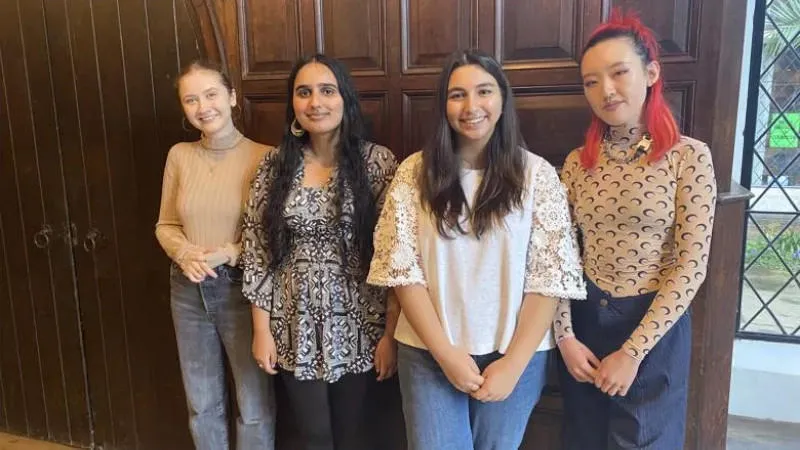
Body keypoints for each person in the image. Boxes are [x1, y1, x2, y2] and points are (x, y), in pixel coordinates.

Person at [366, 49, 586, 450]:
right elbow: (402, 270)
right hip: (428, 351)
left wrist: (514, 364)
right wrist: (446, 354)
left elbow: (549, 279)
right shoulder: (414, 172)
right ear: (443, 105)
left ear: (502, 100)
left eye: (484, 91)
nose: (471, 107)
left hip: (516, 353)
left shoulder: (537, 176)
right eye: (457, 95)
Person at [554, 11, 717, 450]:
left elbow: (691, 265)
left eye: (619, 72)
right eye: (591, 81)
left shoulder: (689, 158)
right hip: (585, 318)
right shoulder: (576, 164)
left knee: (642, 441)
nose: (605, 90)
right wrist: (565, 336)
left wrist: (632, 351)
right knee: (582, 439)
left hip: (653, 325)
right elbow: (559, 256)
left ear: (650, 72)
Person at [241, 54, 399, 450]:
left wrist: (391, 334)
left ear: (345, 98)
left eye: (327, 91)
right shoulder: (274, 166)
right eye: (304, 92)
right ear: (293, 104)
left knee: (353, 434)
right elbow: (258, 250)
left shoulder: (377, 162)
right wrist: (262, 330)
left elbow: (396, 255)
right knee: (313, 436)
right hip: (294, 323)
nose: (316, 102)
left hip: (362, 323)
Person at [155, 60, 275, 450]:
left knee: (254, 403)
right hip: (187, 289)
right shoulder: (180, 155)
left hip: (244, 290)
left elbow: (274, 238)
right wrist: (184, 253)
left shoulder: (266, 157)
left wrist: (229, 253)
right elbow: (166, 225)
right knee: (202, 403)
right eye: (191, 100)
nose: (202, 106)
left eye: (211, 94)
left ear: (232, 97)